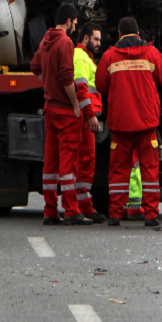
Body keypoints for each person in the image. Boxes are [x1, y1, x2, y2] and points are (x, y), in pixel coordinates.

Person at [96, 17, 162, 226]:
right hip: (146, 122)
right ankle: (151, 216)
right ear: (138, 34)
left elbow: (100, 85)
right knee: (149, 169)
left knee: (118, 169)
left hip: (121, 123)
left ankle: (115, 215)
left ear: (118, 34)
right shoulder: (151, 53)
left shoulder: (109, 57)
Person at [30, 5, 100, 225]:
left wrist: (47, 83)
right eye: (75, 23)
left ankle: (50, 210)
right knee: (69, 164)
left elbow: (35, 67)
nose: (75, 27)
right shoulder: (65, 42)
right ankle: (71, 210)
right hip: (66, 112)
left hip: (50, 109)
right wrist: (76, 104)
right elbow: (68, 78)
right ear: (69, 21)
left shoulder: (45, 41)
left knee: (50, 163)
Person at [73, 23, 107, 223]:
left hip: (86, 117)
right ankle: (82, 208)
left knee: (87, 162)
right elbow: (81, 88)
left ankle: (85, 207)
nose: (99, 43)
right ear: (85, 38)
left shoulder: (85, 57)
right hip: (85, 118)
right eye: (96, 39)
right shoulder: (80, 57)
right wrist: (90, 115)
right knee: (84, 162)